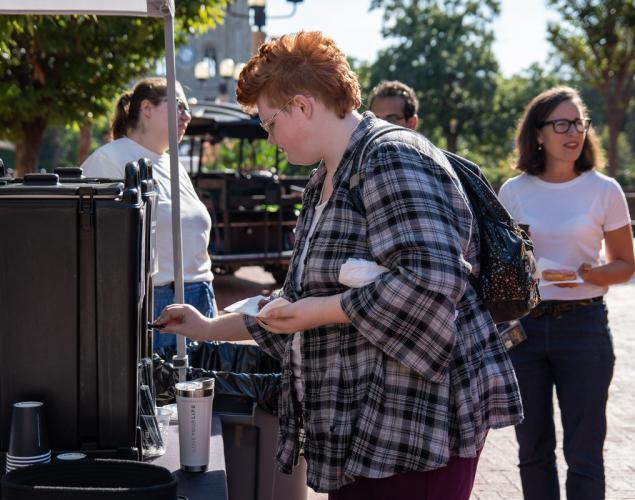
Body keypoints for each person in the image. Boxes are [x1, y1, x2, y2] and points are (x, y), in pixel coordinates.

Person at [155, 31, 522, 498]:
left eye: (270, 124)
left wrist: (319, 311)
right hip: (365, 429)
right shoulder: (324, 180)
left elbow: (431, 281)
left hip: (417, 424)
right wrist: (208, 328)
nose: (270, 140)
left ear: (303, 106)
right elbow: (300, 304)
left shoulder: (391, 156)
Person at [498, 86, 635, 500]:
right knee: (533, 451)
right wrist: (527, 275)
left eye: (578, 122)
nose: (573, 132)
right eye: (561, 123)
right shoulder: (513, 191)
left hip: (585, 327)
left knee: (585, 453)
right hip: (526, 332)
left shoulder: (605, 190)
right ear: (538, 134)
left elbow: (625, 264)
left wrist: (593, 272)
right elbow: (503, 269)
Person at [81, 77, 215, 352]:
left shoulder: (173, 163)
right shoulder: (110, 160)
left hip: (200, 296)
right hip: (159, 303)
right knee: (164, 393)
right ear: (147, 108)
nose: (186, 115)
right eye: (178, 106)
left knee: (202, 391)